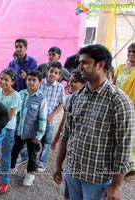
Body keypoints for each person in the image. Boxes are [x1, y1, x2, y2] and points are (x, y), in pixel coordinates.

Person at [53, 44, 135, 200]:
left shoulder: (119, 101)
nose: (79, 66)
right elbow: (66, 134)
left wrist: (116, 185)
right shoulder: (75, 97)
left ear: (101, 64)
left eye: (85, 62)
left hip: (98, 179)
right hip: (73, 171)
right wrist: (58, 165)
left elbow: (124, 147)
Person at [50, 69, 86, 200]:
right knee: (69, 190)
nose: (70, 84)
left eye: (74, 82)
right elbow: (64, 123)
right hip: (71, 150)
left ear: (84, 84)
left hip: (84, 155)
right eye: (69, 81)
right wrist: (56, 138)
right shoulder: (70, 99)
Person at [10, 70, 47, 186]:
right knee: (15, 150)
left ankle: (30, 175)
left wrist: (39, 135)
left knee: (32, 156)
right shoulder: (21, 94)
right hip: (20, 131)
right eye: (29, 79)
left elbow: (42, 118)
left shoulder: (41, 98)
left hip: (32, 134)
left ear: (39, 83)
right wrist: (14, 128)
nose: (31, 82)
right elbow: (16, 113)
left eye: (34, 80)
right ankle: (11, 167)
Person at [37, 61, 65, 172]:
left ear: (59, 76)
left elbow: (61, 103)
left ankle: (42, 162)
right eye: (51, 71)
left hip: (49, 120)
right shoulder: (40, 83)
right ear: (47, 72)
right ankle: (31, 157)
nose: (52, 74)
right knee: (34, 138)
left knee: (47, 141)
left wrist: (52, 116)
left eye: (56, 73)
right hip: (37, 118)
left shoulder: (60, 88)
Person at [113, 42, 135, 182]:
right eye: (129, 52)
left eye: (134, 52)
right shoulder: (121, 67)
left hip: (131, 106)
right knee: (117, 133)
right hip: (117, 104)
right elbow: (113, 84)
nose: (131, 55)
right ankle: (116, 163)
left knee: (130, 137)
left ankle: (130, 167)